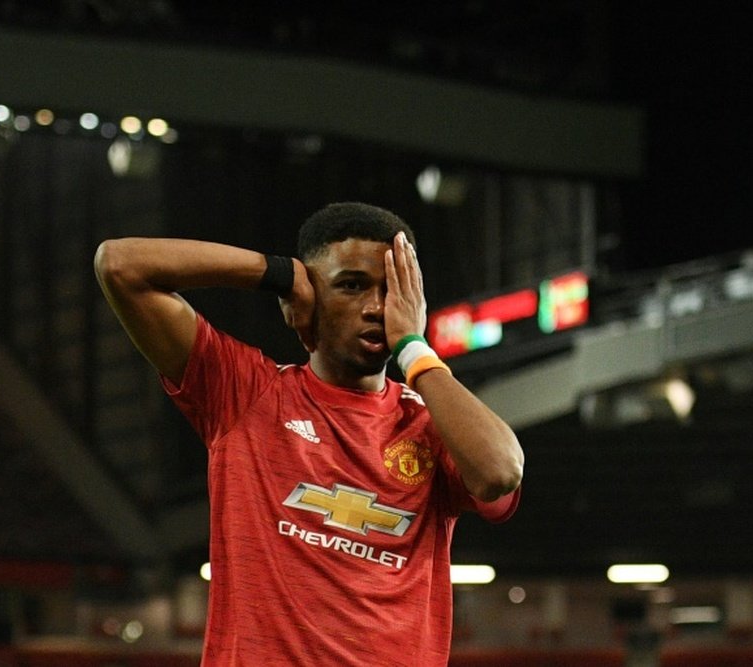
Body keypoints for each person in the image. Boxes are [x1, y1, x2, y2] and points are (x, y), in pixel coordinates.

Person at [94, 201, 524, 666]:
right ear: (307, 298)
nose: (377, 308)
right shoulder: (244, 394)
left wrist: (415, 350)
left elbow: (500, 473)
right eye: (351, 286)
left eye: (393, 290)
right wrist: (278, 273)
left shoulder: (430, 424)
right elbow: (120, 265)